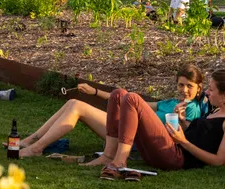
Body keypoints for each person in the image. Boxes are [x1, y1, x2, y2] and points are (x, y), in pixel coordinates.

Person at [19, 65, 210, 158]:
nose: (184, 90)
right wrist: (94, 92)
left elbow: (181, 136)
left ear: (199, 87)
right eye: (181, 85)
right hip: (127, 130)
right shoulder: (170, 102)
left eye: (189, 86)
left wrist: (180, 119)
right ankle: (32, 140)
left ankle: (36, 148)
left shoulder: (190, 109)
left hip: (134, 139)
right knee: (73, 102)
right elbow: (131, 102)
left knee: (77, 106)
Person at [88, 70, 225, 179]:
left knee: (132, 98)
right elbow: (198, 135)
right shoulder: (216, 110)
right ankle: (108, 155)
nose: (207, 93)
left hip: (176, 157)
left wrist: (183, 142)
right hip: (170, 148)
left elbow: (219, 161)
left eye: (211, 90)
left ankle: (119, 162)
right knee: (118, 94)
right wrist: (182, 122)